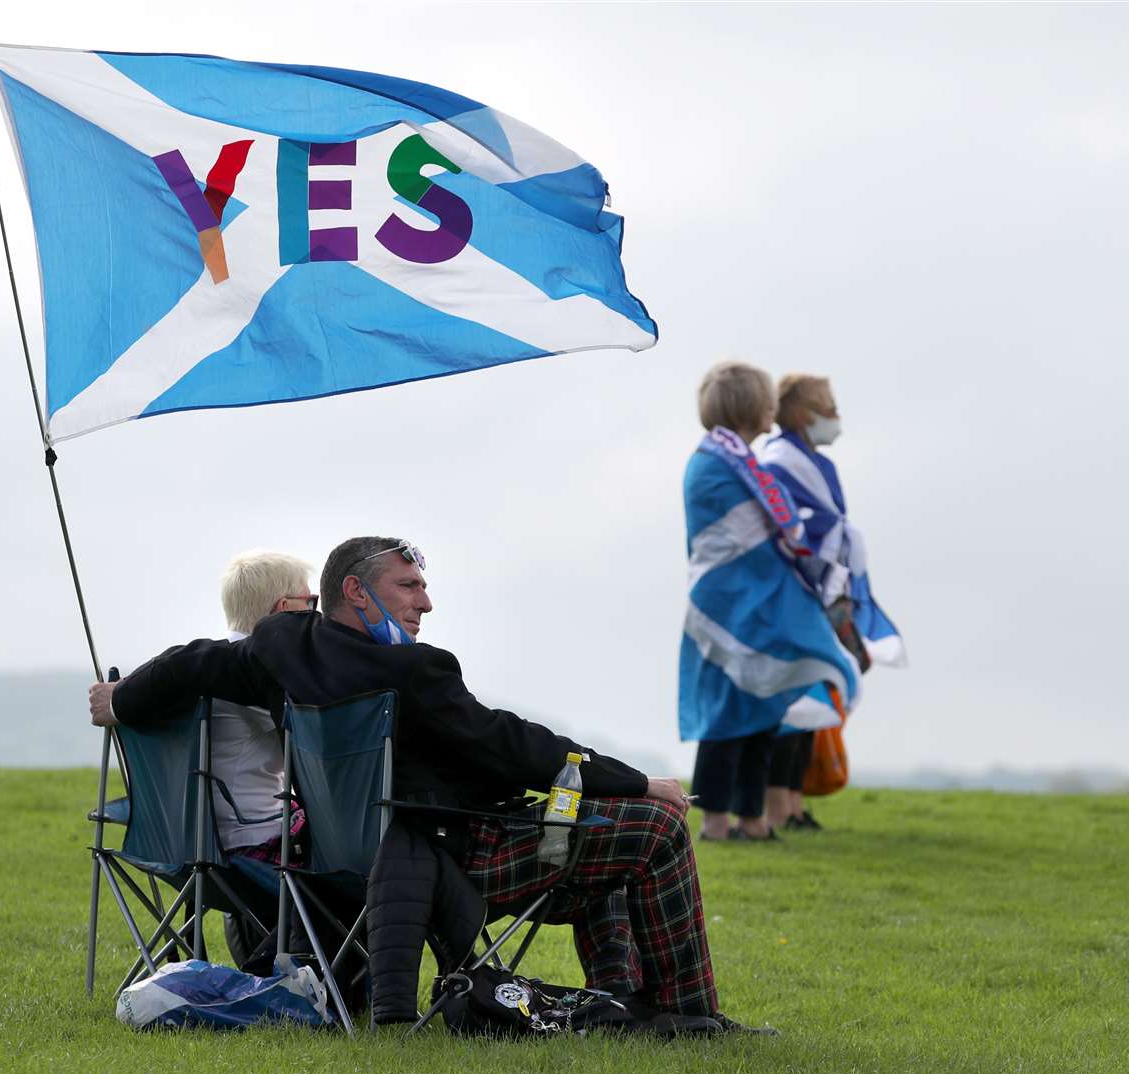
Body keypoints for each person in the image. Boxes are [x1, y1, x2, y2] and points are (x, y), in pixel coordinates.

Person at [91, 537, 761, 1034]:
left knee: (587, 811)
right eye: (410, 586)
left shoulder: (282, 650)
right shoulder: (416, 671)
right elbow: (512, 746)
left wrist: (122, 701)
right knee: (651, 822)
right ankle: (689, 1012)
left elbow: (191, 662)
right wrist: (642, 779)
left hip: (339, 864)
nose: (427, 601)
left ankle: (621, 999)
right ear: (356, 591)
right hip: (452, 860)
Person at [679, 361, 861, 843]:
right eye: (766, 400)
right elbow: (737, 539)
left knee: (763, 707)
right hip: (730, 604)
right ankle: (716, 820)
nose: (773, 409)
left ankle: (752, 819)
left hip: (758, 601)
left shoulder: (739, 460)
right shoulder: (715, 462)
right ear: (750, 406)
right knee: (726, 714)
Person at [760, 375, 907, 830]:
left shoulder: (814, 463)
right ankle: (777, 806)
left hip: (823, 589)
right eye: (831, 406)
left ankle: (796, 801)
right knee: (794, 698)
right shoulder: (781, 461)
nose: (836, 417)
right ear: (806, 414)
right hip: (796, 590)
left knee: (816, 694)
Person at [211, 550, 317, 863]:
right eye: (309, 603)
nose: (315, 615)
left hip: (196, 839)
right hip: (254, 838)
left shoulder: (209, 668)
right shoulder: (258, 675)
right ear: (284, 610)